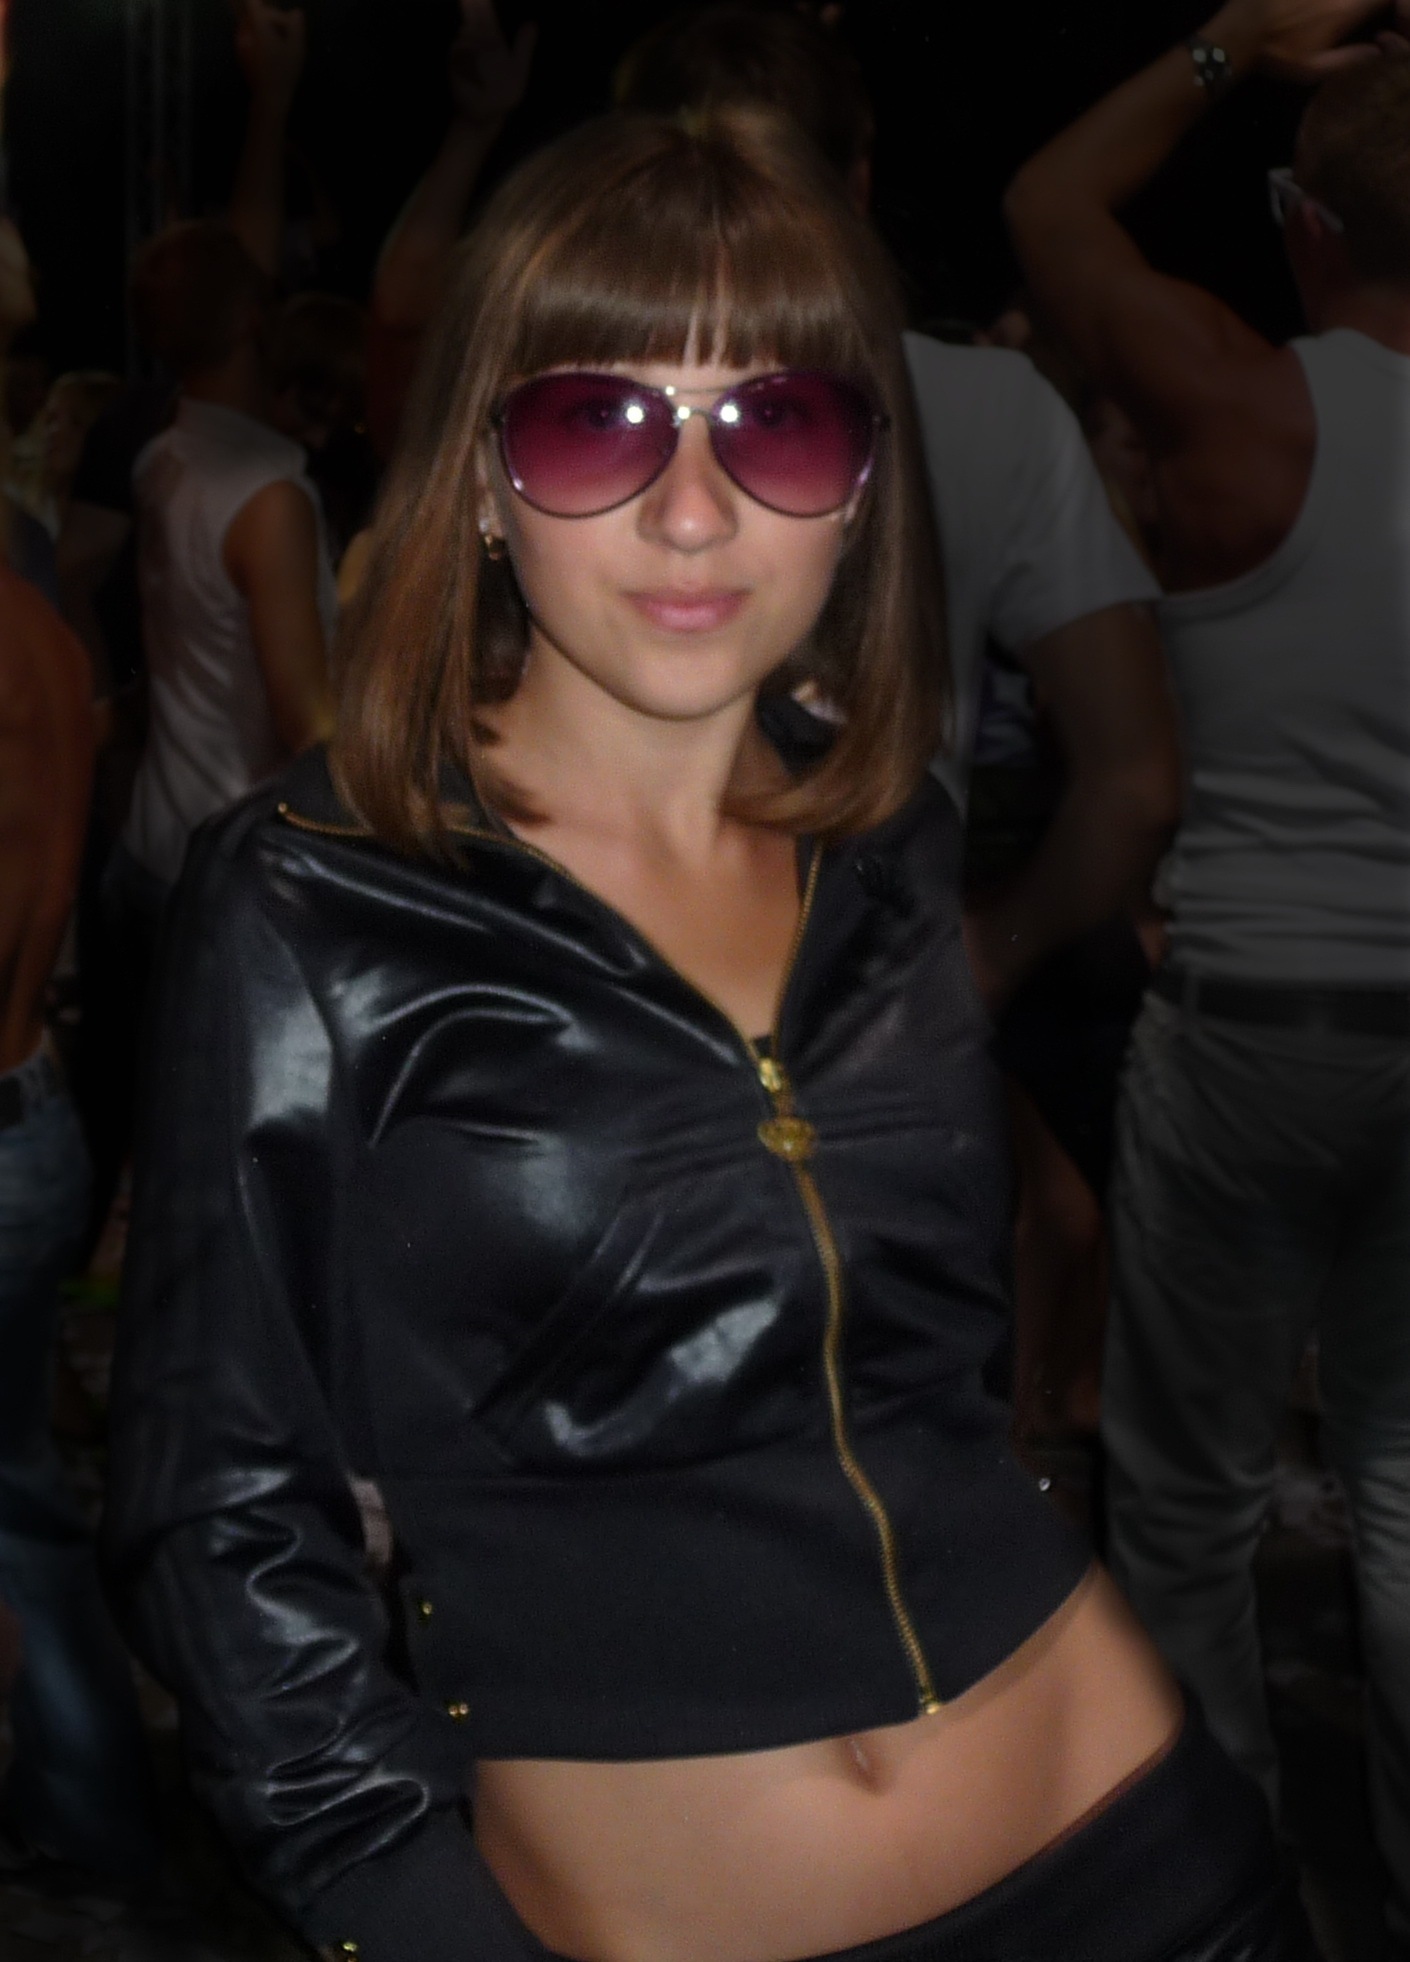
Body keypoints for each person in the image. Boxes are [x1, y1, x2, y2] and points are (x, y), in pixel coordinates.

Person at [104, 110, 1311, 1962]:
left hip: (1147, 1863)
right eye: (598, 422)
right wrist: (405, 1911)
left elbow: (933, 1366)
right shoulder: (313, 898)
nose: (692, 508)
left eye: (778, 423)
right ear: (485, 476)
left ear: (859, 486)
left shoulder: (887, 841)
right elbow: (218, 1515)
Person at [1005, 1, 1410, 1943]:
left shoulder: (1246, 410)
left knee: (1182, 1505)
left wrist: (1237, 39)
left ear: (1304, 230)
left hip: (1253, 1022)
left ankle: (1222, 1913)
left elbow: (1046, 206)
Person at [0, 556, 159, 1880]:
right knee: (20, 1499)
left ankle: (91, 1800)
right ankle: (93, 1799)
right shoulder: (40, 629)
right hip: (29, 1103)